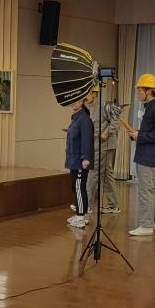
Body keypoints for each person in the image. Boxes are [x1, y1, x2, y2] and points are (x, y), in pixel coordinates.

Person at [128, 74, 155, 236]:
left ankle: (146, 225)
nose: (138, 93)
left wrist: (140, 136)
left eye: (140, 90)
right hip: (146, 153)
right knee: (149, 189)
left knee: (145, 191)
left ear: (149, 91)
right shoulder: (151, 107)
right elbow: (151, 131)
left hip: (149, 155)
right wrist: (137, 134)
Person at [85, 85, 121, 215]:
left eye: (87, 93)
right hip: (97, 145)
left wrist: (106, 132)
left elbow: (116, 121)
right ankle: (114, 205)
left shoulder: (104, 106)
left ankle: (87, 205)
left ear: (94, 94)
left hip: (105, 145)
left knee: (93, 173)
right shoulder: (89, 108)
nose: (85, 96)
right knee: (106, 175)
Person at [65, 95, 94, 229]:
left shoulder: (84, 119)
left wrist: (86, 158)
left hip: (80, 160)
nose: (73, 103)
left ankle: (81, 216)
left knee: (78, 187)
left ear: (82, 101)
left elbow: (87, 140)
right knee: (76, 186)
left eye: (76, 100)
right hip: (74, 159)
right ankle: (81, 214)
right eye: (72, 100)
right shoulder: (76, 118)